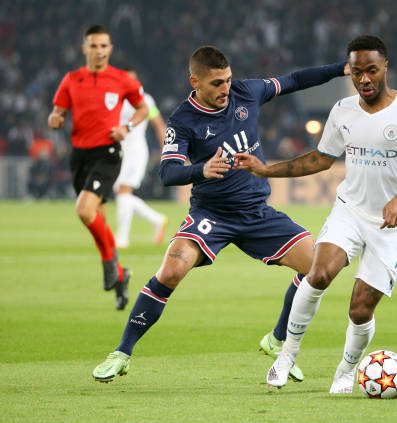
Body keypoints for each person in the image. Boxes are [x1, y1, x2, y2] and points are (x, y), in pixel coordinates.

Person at [92, 45, 349, 382]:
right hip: (211, 214)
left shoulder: (247, 92)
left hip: (256, 212)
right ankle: (122, 353)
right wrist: (201, 169)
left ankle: (276, 339)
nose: (225, 89)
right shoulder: (183, 119)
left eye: (227, 80)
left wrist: (340, 67)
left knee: (317, 270)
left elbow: (295, 79)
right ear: (195, 82)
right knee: (170, 272)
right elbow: (168, 173)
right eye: (216, 83)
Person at [234, 34, 397, 393]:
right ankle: (286, 358)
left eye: (371, 70)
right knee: (319, 274)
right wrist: (266, 170)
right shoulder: (343, 110)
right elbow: (320, 159)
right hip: (350, 211)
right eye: (357, 72)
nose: (364, 79)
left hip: (391, 223)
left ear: (385, 66)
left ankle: (345, 372)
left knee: (360, 308)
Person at [48, 25, 149, 310]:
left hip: (107, 153)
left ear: (110, 48)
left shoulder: (120, 80)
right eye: (93, 46)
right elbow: (57, 112)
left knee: (84, 210)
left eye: (104, 46)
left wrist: (126, 127)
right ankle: (120, 276)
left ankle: (109, 265)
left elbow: (142, 109)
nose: (99, 51)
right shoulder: (71, 80)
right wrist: (55, 119)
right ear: (85, 49)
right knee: (97, 217)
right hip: (79, 156)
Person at [113, 70, 168, 249]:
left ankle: (121, 239)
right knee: (123, 195)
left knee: (123, 191)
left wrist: (165, 150)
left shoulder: (146, 99)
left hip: (135, 152)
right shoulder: (115, 100)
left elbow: (158, 123)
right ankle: (157, 219)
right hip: (118, 152)